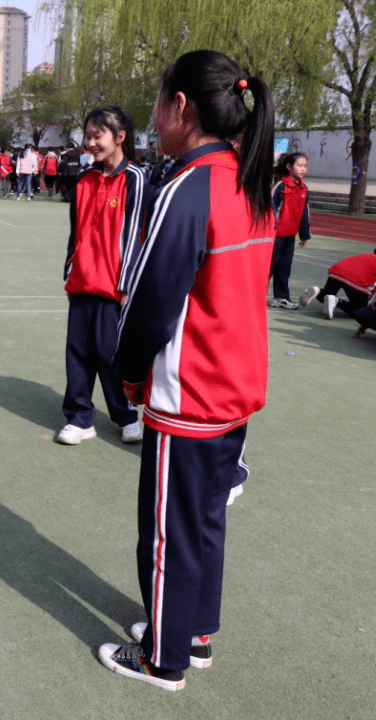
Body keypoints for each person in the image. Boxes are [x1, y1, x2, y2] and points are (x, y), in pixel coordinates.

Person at [102, 50, 276, 692]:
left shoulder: (187, 185)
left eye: (157, 100)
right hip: (237, 386)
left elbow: (151, 300)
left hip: (191, 391)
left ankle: (163, 659)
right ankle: (194, 633)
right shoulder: (250, 181)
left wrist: (125, 374)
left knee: (169, 528)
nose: (152, 114)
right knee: (204, 520)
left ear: (181, 107)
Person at [58, 107, 146, 447]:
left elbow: (137, 236)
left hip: (116, 288)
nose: (91, 143)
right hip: (82, 283)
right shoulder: (83, 180)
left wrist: (126, 285)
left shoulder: (135, 179)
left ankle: (125, 415)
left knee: (112, 355)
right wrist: (69, 274)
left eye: (98, 136)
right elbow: (74, 235)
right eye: (88, 136)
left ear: (120, 137)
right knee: (78, 353)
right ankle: (79, 418)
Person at [268, 152, 311, 308]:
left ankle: (281, 297)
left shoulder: (304, 189)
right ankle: (254, 296)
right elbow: (270, 210)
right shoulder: (280, 186)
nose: (303, 169)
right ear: (289, 167)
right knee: (268, 267)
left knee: (284, 267)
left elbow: (304, 213)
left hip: (290, 236)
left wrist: (304, 234)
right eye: (299, 165)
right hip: (275, 236)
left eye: (305, 166)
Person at [299, 249, 376, 319]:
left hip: (337, 269)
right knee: (360, 310)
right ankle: (336, 301)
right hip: (354, 278)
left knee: (326, 295)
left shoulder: (367, 255)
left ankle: (318, 291)